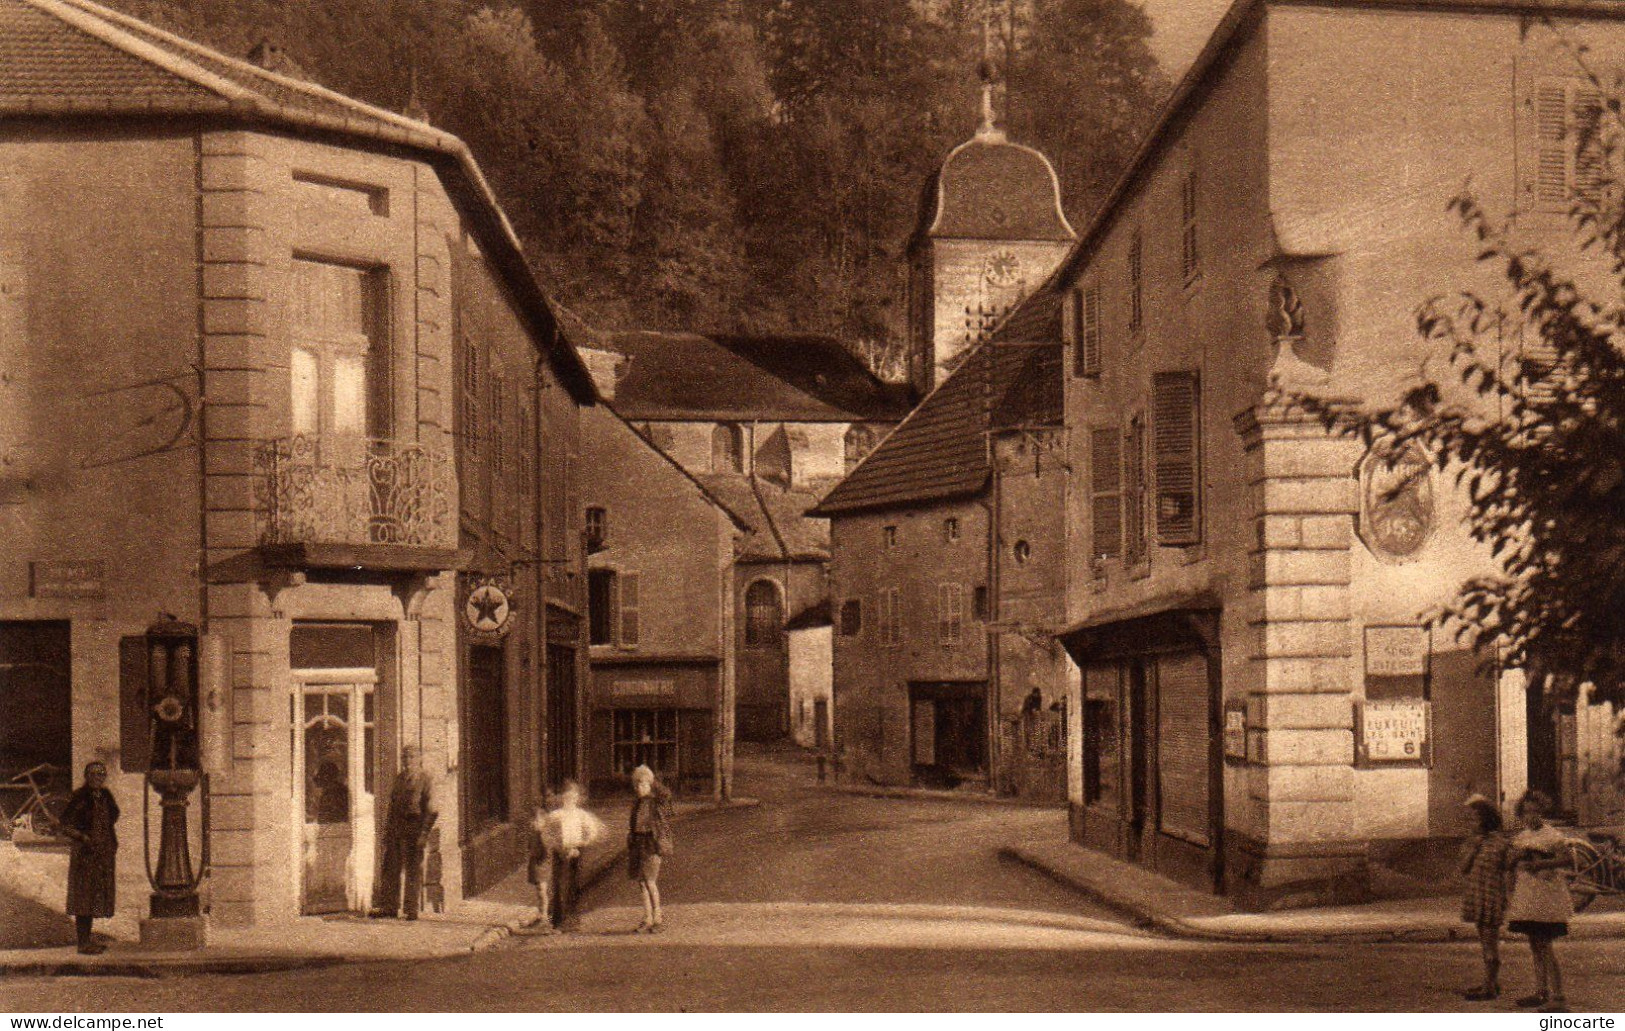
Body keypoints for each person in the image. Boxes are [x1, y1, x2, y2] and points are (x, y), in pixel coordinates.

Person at [1505, 789, 1573, 1013]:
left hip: (1547, 895)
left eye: (1535, 812)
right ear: (1521, 814)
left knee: (1545, 944)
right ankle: (1541, 991)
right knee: (1534, 945)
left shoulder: (1553, 835)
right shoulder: (1522, 837)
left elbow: (1567, 860)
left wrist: (1540, 864)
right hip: (1528, 895)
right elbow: (1511, 865)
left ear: (1541, 812)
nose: (1530, 816)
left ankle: (1559, 996)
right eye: (1526, 813)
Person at [58, 761, 119, 955]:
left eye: (101, 774)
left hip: (102, 854)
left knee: (94, 896)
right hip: (84, 855)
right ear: (86, 776)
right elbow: (64, 825)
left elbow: (113, 817)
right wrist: (83, 837)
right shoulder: (79, 797)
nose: (97, 777)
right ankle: (82, 943)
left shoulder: (106, 796)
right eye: (93, 774)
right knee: (83, 897)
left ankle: (88, 940)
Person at [371, 745, 436, 921]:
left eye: (412, 758)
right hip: (396, 828)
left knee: (413, 870)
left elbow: (432, 810)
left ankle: (411, 909)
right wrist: (387, 831)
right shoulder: (399, 779)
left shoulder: (426, 779)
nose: (408, 762)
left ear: (419, 759)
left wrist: (424, 834)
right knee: (390, 867)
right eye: (405, 758)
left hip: (414, 828)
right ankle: (389, 907)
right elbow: (392, 807)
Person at [1458, 793, 1512, 1001]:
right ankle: (1490, 982)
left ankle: (1489, 987)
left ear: (1486, 820)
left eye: (1475, 819)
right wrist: (1474, 846)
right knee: (1485, 942)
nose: (1471, 823)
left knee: (1490, 944)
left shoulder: (1501, 843)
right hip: (1477, 896)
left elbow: (1508, 870)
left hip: (1491, 897)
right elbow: (1464, 867)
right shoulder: (1473, 842)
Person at [542, 781, 604, 932]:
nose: (570, 799)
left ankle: (572, 920)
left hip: (577, 852)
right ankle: (558, 921)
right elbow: (546, 834)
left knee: (573, 886)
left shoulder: (581, 815)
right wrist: (557, 846)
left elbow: (594, 830)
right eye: (567, 796)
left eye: (573, 796)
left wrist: (583, 842)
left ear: (577, 798)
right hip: (561, 852)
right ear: (562, 797)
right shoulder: (556, 815)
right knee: (560, 886)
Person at [627, 764, 673, 934]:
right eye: (638, 785)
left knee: (650, 881)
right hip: (638, 843)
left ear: (650, 785)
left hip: (652, 844)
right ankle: (647, 917)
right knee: (641, 882)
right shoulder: (637, 804)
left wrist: (652, 780)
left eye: (644, 785)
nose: (640, 788)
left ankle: (658, 917)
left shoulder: (656, 802)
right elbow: (633, 825)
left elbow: (666, 794)